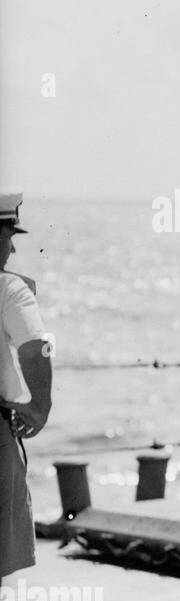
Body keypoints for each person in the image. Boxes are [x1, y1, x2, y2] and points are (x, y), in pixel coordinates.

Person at [0, 190, 52, 579]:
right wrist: (39, 408)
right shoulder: (9, 289)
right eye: (7, 235)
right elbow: (35, 350)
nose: (12, 247)